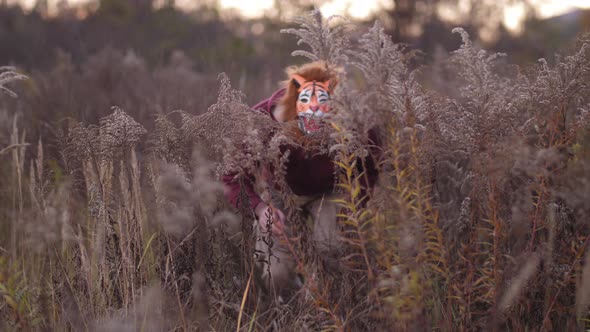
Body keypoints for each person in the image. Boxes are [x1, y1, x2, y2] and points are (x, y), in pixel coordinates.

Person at [222, 61, 379, 295]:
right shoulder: (263, 119)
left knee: (331, 256)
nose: (314, 112)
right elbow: (232, 177)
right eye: (306, 103)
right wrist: (260, 208)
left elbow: (372, 162)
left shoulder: (353, 119)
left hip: (331, 191)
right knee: (275, 276)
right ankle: (293, 303)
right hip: (279, 193)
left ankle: (321, 309)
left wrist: (356, 205)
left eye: (322, 105)